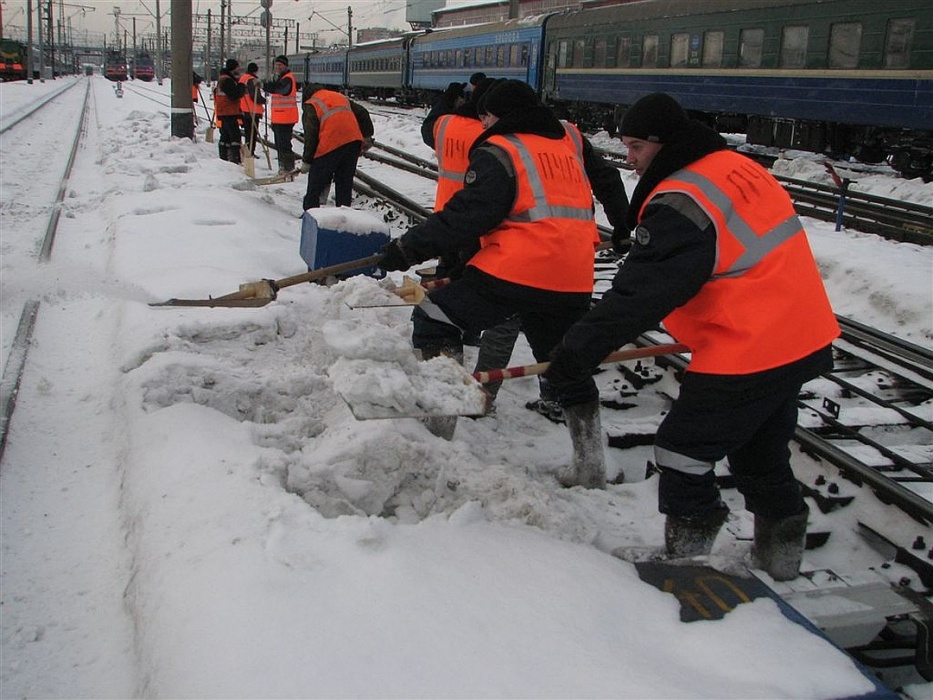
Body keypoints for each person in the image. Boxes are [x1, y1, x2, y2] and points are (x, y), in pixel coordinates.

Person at [543, 93, 840, 580]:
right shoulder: (733, 166)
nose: (630, 159)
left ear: (664, 143)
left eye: (637, 146)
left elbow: (642, 293)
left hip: (749, 346)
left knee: (681, 448)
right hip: (800, 335)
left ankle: (687, 559)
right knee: (760, 457)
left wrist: (576, 351)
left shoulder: (685, 198)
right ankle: (778, 561)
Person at [376, 79, 610, 465]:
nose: (481, 123)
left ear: (497, 116)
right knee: (564, 363)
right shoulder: (564, 149)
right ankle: (590, 466)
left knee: (435, 315)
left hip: (518, 270)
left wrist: (406, 249)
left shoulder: (501, 150)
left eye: (484, 116)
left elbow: (467, 216)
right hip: (573, 276)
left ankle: (440, 427)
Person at [298, 83, 374, 211]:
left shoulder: (311, 103)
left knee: (315, 183)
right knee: (344, 182)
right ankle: (344, 216)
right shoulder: (339, 96)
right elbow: (363, 113)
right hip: (353, 141)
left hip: (331, 141)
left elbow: (310, 135)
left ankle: (310, 213)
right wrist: (367, 136)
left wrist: (307, 160)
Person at [263, 55, 299, 173]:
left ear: (285, 66)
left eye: (280, 65)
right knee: (279, 145)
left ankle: (288, 168)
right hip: (279, 118)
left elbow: (281, 90)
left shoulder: (287, 79)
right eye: (276, 65)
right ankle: (282, 166)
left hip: (286, 118)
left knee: (284, 145)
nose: (278, 67)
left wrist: (265, 86)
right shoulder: (280, 78)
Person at [214, 59, 245, 163]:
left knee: (225, 136)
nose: (239, 70)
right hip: (228, 112)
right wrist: (241, 86)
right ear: (233, 69)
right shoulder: (227, 80)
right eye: (237, 68)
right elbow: (234, 95)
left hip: (225, 111)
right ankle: (234, 159)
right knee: (234, 137)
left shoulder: (224, 79)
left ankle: (224, 159)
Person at [238, 62, 265, 158]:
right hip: (252, 110)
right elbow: (254, 95)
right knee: (252, 134)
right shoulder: (251, 79)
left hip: (244, 108)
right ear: (255, 70)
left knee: (248, 132)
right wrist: (263, 100)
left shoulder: (243, 78)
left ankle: (248, 151)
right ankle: (250, 152)